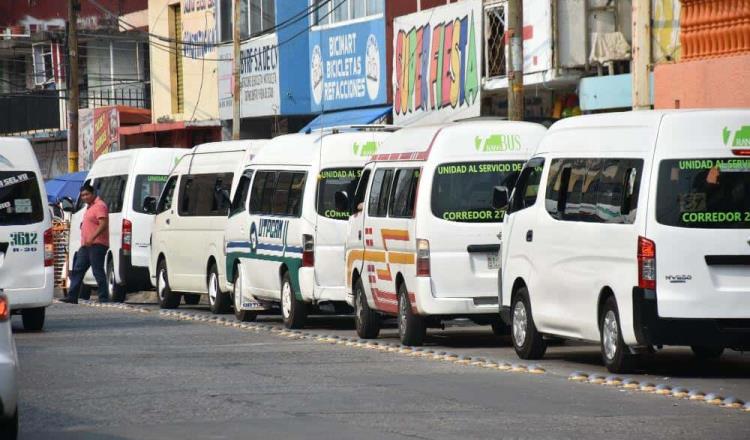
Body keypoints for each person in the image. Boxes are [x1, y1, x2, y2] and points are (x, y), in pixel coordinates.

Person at [61, 183, 109, 304]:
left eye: (87, 194)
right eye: (82, 195)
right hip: (86, 245)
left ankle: (103, 297)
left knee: (97, 270)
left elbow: (103, 224)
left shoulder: (100, 206)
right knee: (78, 269)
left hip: (97, 244)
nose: (85, 197)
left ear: (93, 194)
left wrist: (92, 237)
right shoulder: (89, 207)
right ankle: (72, 296)